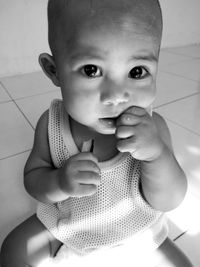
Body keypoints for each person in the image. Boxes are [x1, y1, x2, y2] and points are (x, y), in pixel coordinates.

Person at [0, 0, 194, 266]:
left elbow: (169, 200)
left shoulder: (153, 128)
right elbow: (33, 179)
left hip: (137, 232)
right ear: (54, 70)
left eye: (137, 72)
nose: (116, 96)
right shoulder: (52, 125)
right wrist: (59, 182)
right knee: (13, 249)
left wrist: (156, 156)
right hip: (68, 225)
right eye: (92, 70)